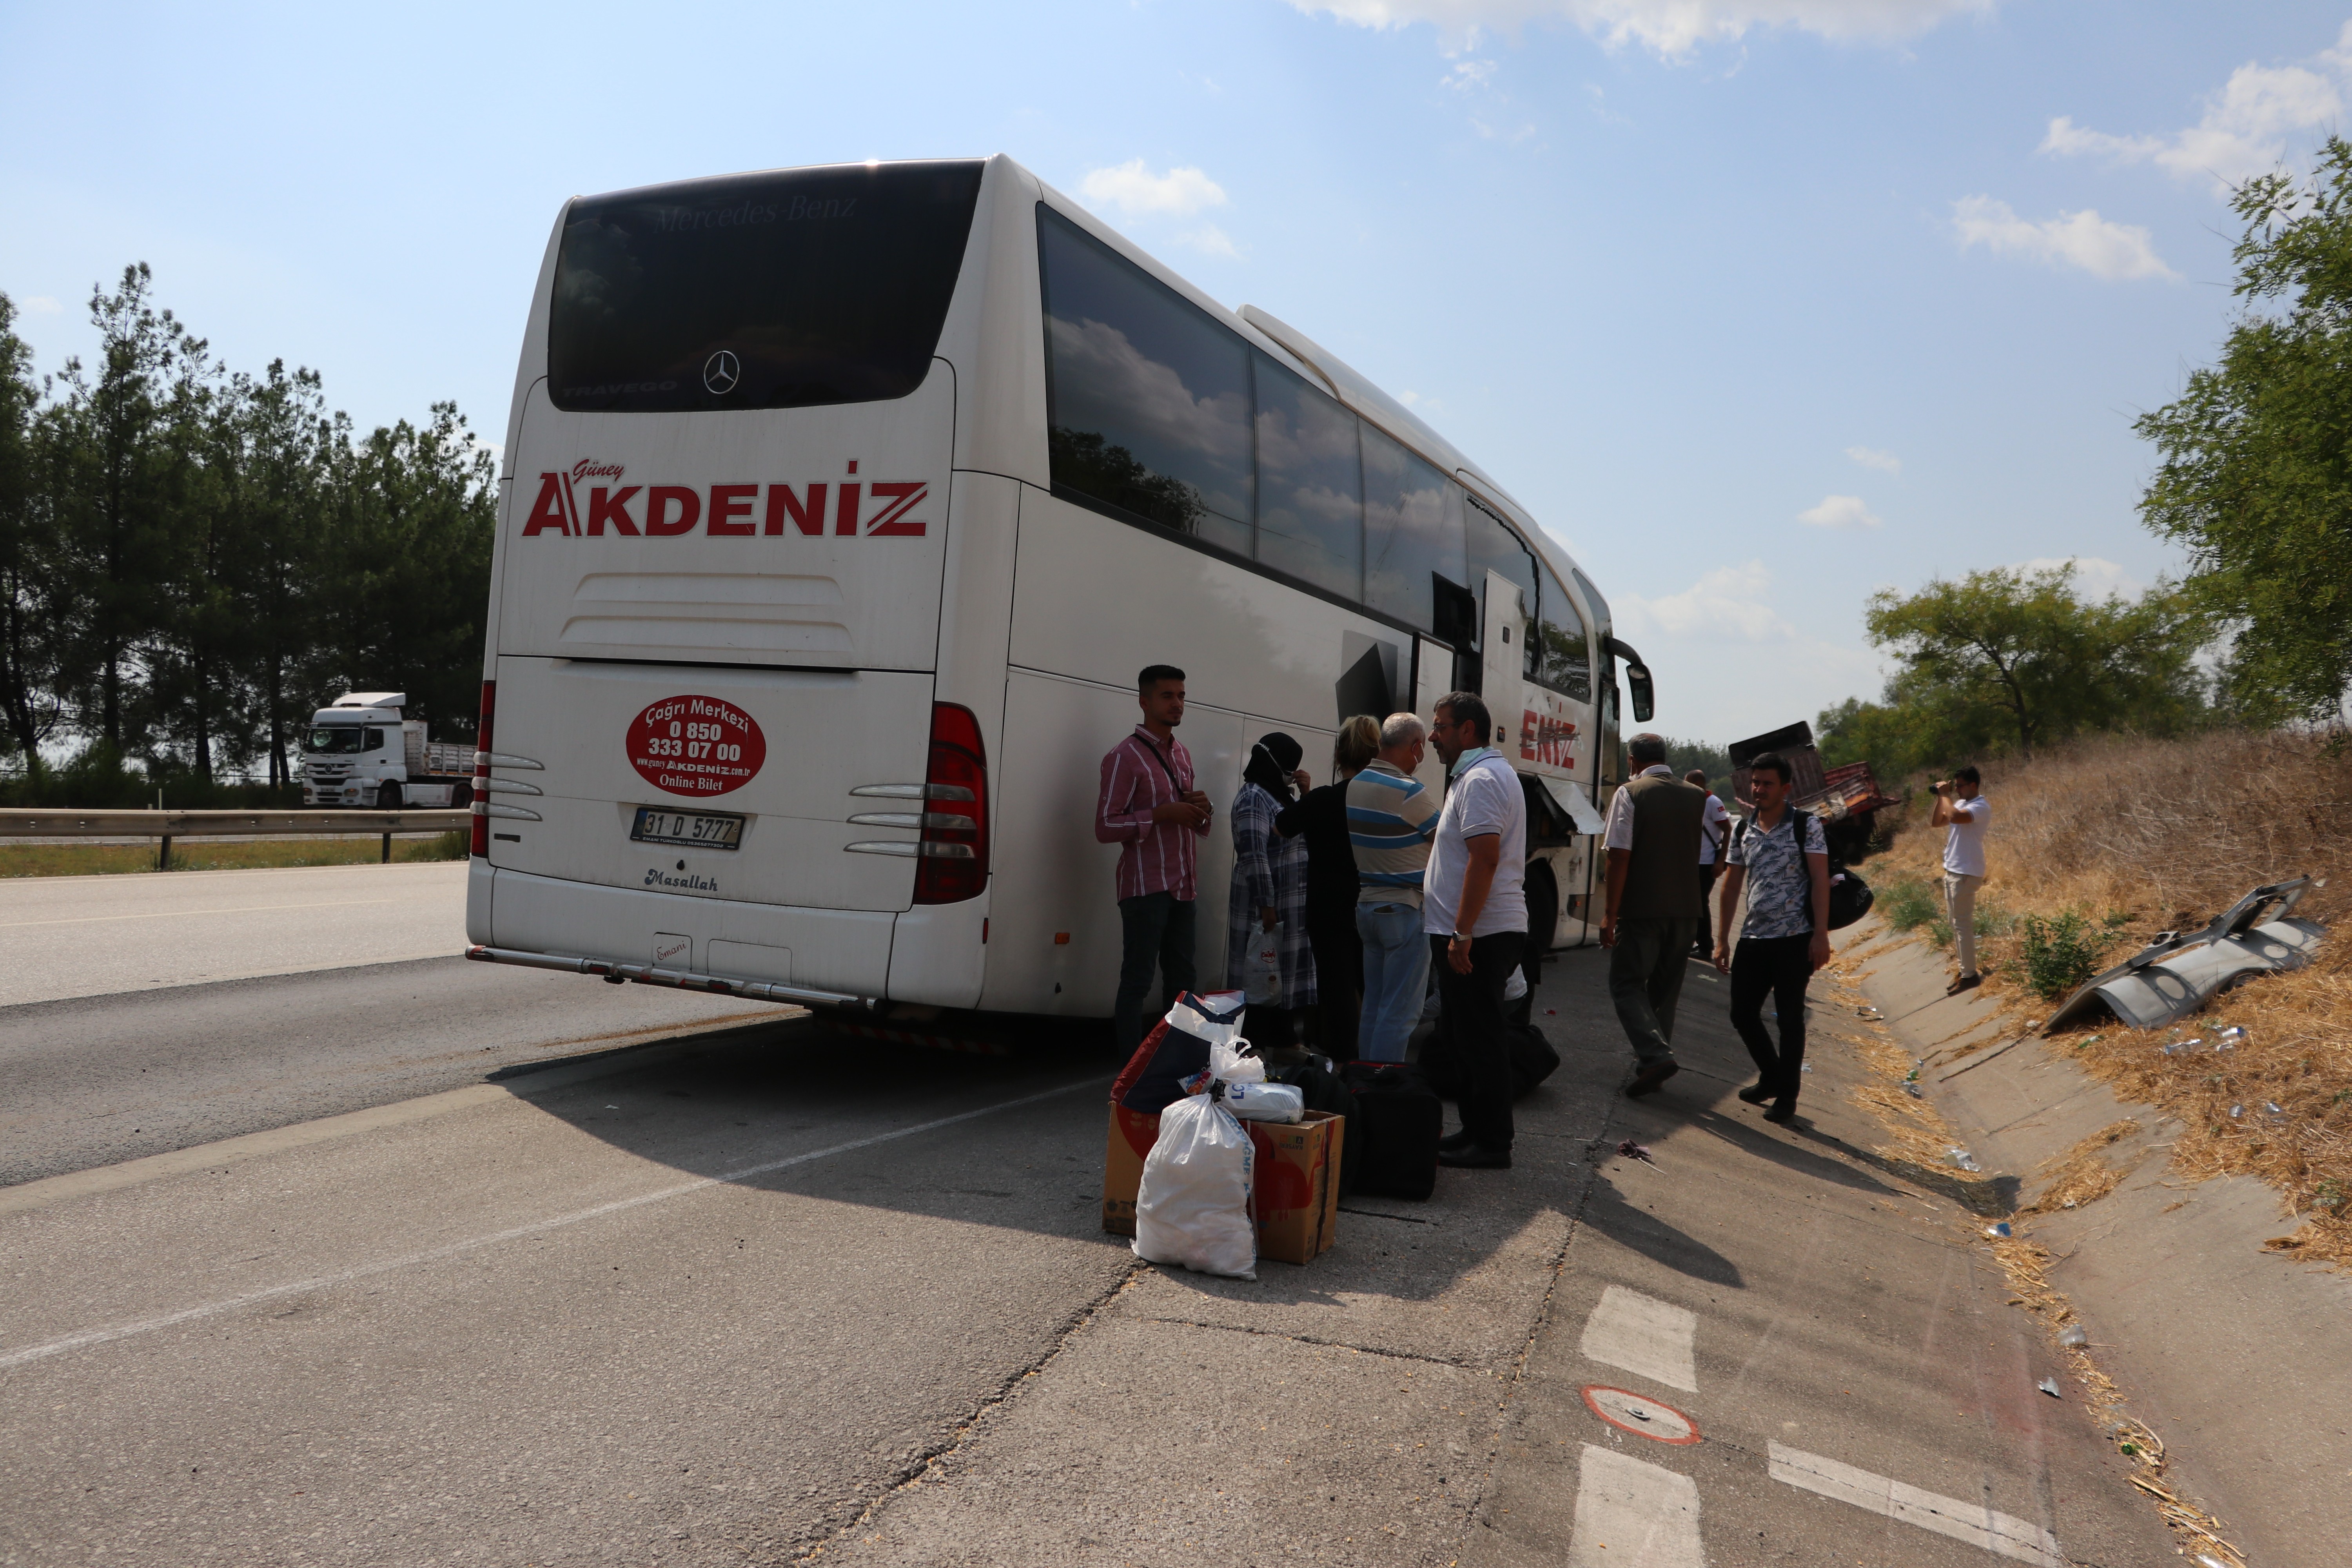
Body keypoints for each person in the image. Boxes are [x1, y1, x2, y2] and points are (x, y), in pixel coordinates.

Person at [1422, 692, 1527, 1169]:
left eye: (1440, 726)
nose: (1432, 736)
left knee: (1480, 1039)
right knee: (1463, 1037)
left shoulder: (1482, 779)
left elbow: (1485, 858)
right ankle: (1476, 1130)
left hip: (1479, 937)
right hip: (1472, 933)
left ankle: (1491, 1142)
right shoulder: (1477, 775)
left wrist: (1462, 933)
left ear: (1467, 730)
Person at [1095, 664, 1214, 1054]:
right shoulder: (1123, 756)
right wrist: (1161, 814)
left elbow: (1191, 820)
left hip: (1183, 882)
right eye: (1167, 696)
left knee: (1183, 979)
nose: (1177, 703)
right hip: (1145, 884)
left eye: (1181, 695)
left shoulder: (1182, 753)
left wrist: (1202, 809)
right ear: (1145, 701)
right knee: (1138, 979)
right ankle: (1131, 1074)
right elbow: (1105, 826)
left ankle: (1177, 1064)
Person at [1711, 751, 1831, 1124]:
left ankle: (1787, 1097)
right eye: (1756, 782)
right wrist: (1721, 939)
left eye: (1767, 783)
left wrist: (1821, 937)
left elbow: (1819, 881)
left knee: (1791, 1020)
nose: (1759, 789)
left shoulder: (1806, 826)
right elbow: (1731, 886)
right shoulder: (1744, 829)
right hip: (1754, 937)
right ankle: (1772, 1076)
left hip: (1795, 938)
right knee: (1742, 1013)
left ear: (1786, 788)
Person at [1600, 733, 1706, 1099]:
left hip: (1644, 909)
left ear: (1632, 761)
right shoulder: (1697, 796)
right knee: (1665, 992)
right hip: (1688, 911)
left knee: (1627, 983)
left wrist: (1610, 914)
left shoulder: (1631, 793)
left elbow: (1618, 855)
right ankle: (1654, 1068)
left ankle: (1656, 1055)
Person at [1277, 715, 1380, 1056]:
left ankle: (1344, 1062)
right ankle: (1380, 1061)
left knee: (1338, 991)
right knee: (1374, 987)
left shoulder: (1323, 799)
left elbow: (1282, 826)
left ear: (1339, 755)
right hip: (1373, 903)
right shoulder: (1383, 800)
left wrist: (1307, 797)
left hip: (1328, 907)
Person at [1347, 712, 1438, 1063]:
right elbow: (1447, 842)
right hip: (1404, 910)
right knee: (1400, 1013)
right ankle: (1384, 1086)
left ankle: (1365, 1082)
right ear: (1415, 747)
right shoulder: (1409, 792)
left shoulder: (1356, 785)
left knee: (1374, 1005)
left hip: (1368, 906)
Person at [1227, 732, 1316, 1045]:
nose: (1293, 774)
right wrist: (1267, 907)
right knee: (1259, 978)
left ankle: (1281, 1041)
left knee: (1275, 979)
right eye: (1290, 768)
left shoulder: (1278, 795)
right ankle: (1254, 1045)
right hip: (1265, 909)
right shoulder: (1254, 796)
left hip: (1281, 909)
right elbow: (1254, 855)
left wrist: (1306, 796)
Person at [1932, 764, 1990, 995]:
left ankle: (1970, 976)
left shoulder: (1980, 806)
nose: (1957, 790)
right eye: (1954, 786)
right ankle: (1965, 970)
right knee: (1956, 925)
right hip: (1954, 870)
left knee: (1962, 925)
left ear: (1973, 785)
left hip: (1966, 872)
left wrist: (1946, 796)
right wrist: (1941, 798)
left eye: (1960, 786)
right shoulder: (1959, 803)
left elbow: (1956, 818)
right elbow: (1937, 822)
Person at [1687, 768, 1731, 956]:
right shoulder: (1692, 802)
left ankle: (1706, 946)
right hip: (1694, 861)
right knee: (1692, 904)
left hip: (1707, 863)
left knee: (1699, 904)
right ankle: (1694, 941)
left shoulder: (1712, 803)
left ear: (1698, 785)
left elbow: (1728, 831)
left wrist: (1721, 861)